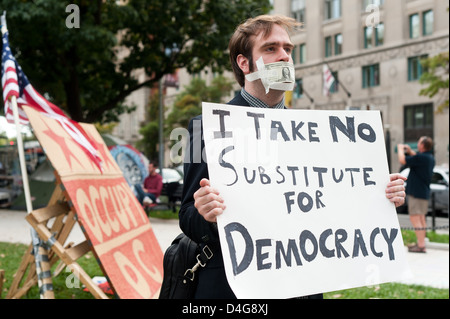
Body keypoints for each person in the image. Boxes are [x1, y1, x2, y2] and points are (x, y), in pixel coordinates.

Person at [180, 14, 406, 299]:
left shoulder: (317, 134)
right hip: (232, 288)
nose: (285, 56)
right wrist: (205, 213)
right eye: (270, 48)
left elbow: (336, 200)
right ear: (244, 62)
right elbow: (187, 217)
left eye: (288, 48)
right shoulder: (205, 127)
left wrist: (383, 196)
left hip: (302, 286)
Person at [397, 137, 435, 253]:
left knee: (414, 217)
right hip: (423, 192)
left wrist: (399, 148)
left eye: (419, 142)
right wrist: (410, 151)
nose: (417, 144)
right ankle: (421, 243)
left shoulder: (421, 157)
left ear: (422, 146)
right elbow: (416, 157)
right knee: (421, 218)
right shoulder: (429, 158)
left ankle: (421, 245)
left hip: (416, 193)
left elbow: (403, 160)